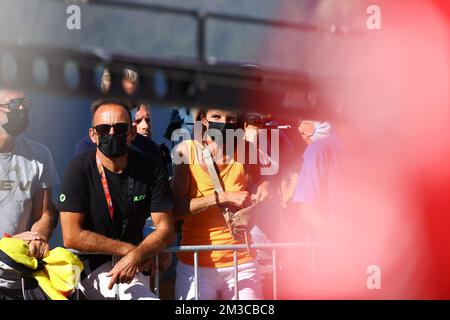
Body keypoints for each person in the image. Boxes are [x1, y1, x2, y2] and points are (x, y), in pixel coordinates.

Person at [58, 100, 174, 300]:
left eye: (120, 128)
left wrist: (137, 256)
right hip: (92, 268)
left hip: (137, 265)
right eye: (103, 129)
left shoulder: (151, 167)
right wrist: (129, 250)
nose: (112, 134)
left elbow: (165, 228)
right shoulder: (78, 169)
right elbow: (71, 235)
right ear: (93, 135)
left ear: (132, 133)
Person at [171, 108, 269, 300]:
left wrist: (265, 188)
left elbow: (259, 182)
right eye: (216, 117)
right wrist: (221, 198)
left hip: (242, 260)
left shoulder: (247, 150)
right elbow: (174, 210)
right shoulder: (187, 150)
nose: (224, 123)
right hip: (196, 262)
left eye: (231, 117)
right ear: (203, 120)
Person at [0, 89, 59, 299]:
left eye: (25, 103)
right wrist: (7, 244)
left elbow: (45, 213)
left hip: (22, 280)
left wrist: (38, 236)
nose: (22, 109)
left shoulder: (40, 154)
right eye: (15, 105)